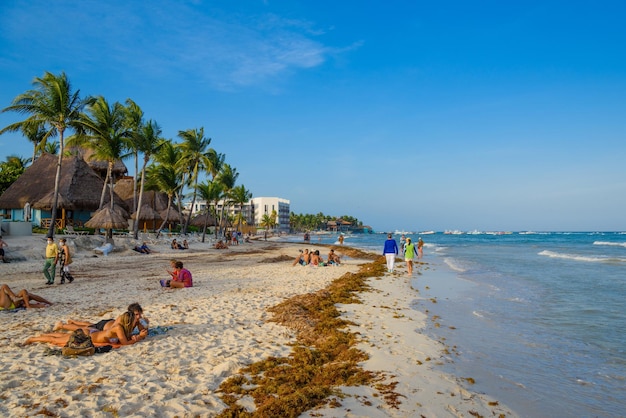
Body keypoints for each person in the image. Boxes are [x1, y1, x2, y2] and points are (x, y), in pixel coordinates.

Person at [25, 311, 147, 346]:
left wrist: (138, 333)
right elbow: (125, 343)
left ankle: (39, 337)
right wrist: (138, 338)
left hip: (92, 333)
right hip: (87, 335)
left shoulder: (124, 328)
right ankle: (32, 339)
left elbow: (124, 340)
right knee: (56, 340)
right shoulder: (119, 328)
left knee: (61, 338)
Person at [54, 303, 149, 334]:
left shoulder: (137, 321)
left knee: (89, 324)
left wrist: (141, 323)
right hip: (105, 327)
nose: (139, 316)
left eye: (139, 314)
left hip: (108, 323)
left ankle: (73, 321)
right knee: (88, 328)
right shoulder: (122, 318)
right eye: (136, 314)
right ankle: (62, 325)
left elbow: (143, 332)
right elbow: (113, 330)